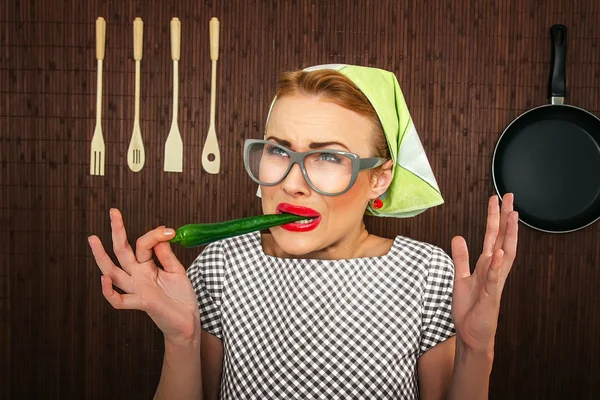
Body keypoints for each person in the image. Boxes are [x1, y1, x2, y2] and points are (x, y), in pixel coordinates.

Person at [88, 64, 518, 400]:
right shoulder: (222, 265)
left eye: (328, 157)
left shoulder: (425, 274)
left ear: (380, 179)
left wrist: (477, 349)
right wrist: (181, 339)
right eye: (278, 150)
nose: (292, 183)